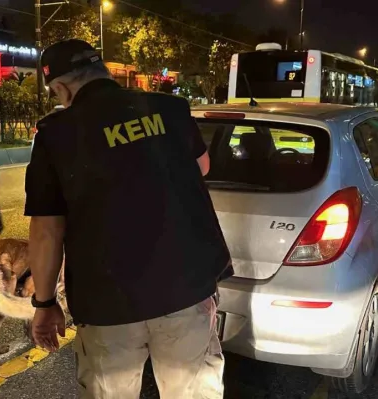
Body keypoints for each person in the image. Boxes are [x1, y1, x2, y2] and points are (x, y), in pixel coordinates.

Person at [24, 39, 232, 399]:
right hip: (185, 285)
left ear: (60, 87)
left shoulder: (56, 135)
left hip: (107, 299)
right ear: (102, 71)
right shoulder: (170, 108)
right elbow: (202, 166)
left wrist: (44, 303)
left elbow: (46, 231)